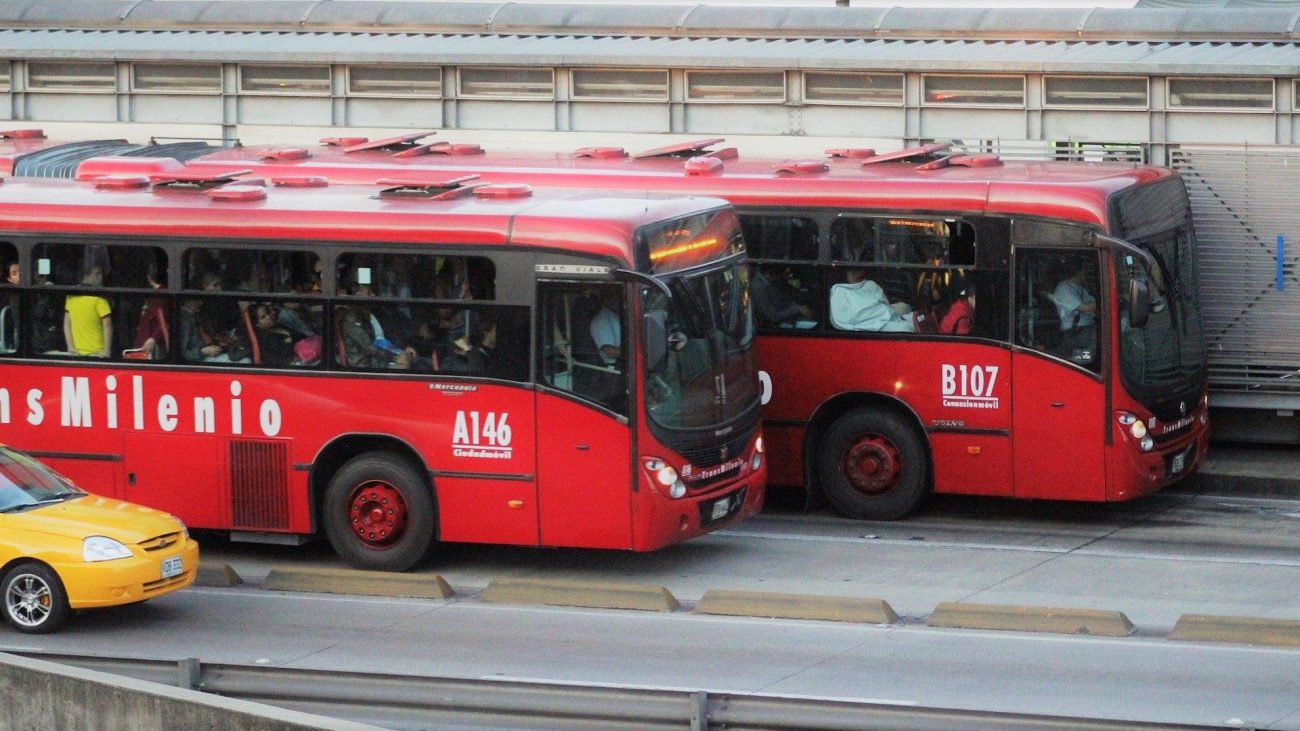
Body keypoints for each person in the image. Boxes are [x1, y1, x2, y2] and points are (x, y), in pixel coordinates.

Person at [829, 269, 914, 332]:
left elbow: (885, 304)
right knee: (906, 328)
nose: (858, 273)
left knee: (905, 307)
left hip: (885, 314)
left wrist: (884, 312)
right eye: (853, 272)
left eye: (859, 270)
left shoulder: (870, 284)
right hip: (872, 324)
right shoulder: (840, 291)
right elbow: (848, 318)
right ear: (845, 275)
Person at [63, 264, 112, 357]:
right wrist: (107, 351)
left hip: (82, 353)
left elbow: (66, 324)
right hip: (96, 353)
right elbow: (108, 326)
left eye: (101, 274)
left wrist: (70, 347)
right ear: (86, 276)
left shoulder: (71, 296)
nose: (100, 278)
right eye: (97, 274)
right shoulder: (99, 298)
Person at [131, 261, 167, 359]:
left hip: (152, 348)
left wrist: (153, 339)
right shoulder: (154, 294)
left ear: (149, 277)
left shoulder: (159, 295)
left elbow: (163, 321)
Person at [1053, 257, 1097, 333]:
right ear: (1077, 271)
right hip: (1074, 332)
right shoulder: (1063, 289)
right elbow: (1085, 308)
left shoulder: (1081, 288)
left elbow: (1093, 304)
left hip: (1087, 328)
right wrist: (1107, 302)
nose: (1087, 273)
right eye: (1085, 269)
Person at [590, 287, 622, 367]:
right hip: (612, 368)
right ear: (605, 300)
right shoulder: (602, 320)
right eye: (615, 298)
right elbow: (609, 351)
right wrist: (635, 353)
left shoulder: (615, 315)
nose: (619, 301)